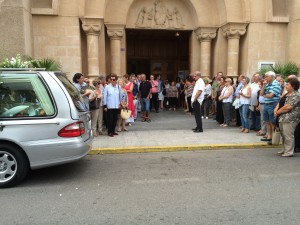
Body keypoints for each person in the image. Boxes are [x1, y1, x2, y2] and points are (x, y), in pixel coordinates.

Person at [274, 77, 300, 157]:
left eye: (288, 84)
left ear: (294, 86)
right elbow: (280, 102)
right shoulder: (287, 94)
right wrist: (275, 110)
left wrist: (278, 112)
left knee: (288, 135)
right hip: (282, 118)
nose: (286, 86)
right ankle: (284, 149)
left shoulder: (296, 95)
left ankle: (289, 151)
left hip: (290, 119)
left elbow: (288, 107)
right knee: (283, 134)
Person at [260, 71, 282, 144]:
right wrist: (264, 85)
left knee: (272, 122)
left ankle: (273, 138)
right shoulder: (268, 84)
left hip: (273, 104)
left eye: (266, 76)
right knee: (267, 121)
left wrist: (265, 95)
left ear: (272, 76)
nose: (265, 78)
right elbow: (261, 93)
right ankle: (269, 136)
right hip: (266, 104)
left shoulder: (276, 84)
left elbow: (271, 95)